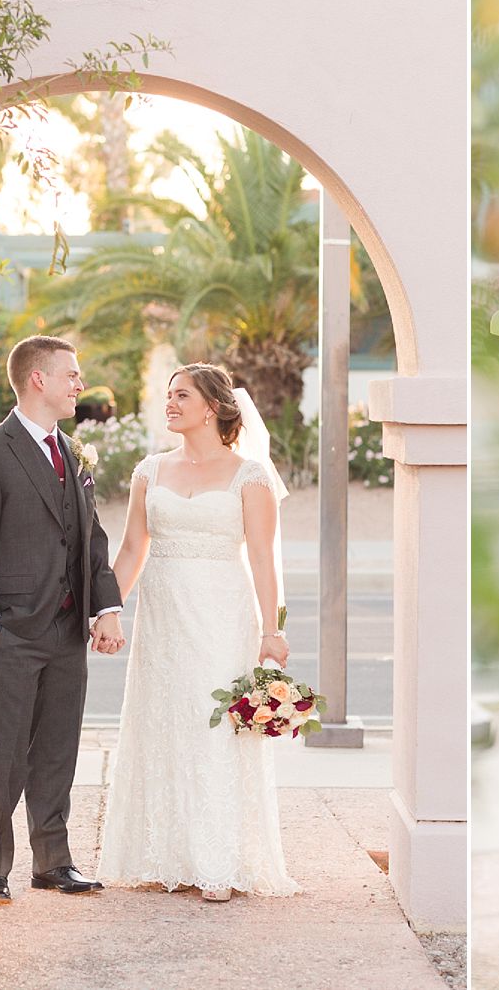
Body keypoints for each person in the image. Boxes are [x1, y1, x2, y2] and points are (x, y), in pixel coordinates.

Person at [97, 363, 299, 902]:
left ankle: (218, 861)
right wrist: (105, 610)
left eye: (180, 395)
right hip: (162, 617)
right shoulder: (149, 471)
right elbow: (133, 549)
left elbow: (262, 559)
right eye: (168, 395)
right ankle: (164, 854)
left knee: (213, 728)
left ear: (211, 406)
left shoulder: (249, 476)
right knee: (162, 721)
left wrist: (271, 632)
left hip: (222, 616)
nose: (170, 403)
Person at [0, 334, 126, 905]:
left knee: (58, 748)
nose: (80, 385)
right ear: (38, 380)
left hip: (68, 627)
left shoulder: (73, 452)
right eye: (72, 375)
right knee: (2, 751)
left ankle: (53, 862)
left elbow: (91, 540)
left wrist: (105, 607)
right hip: (12, 631)